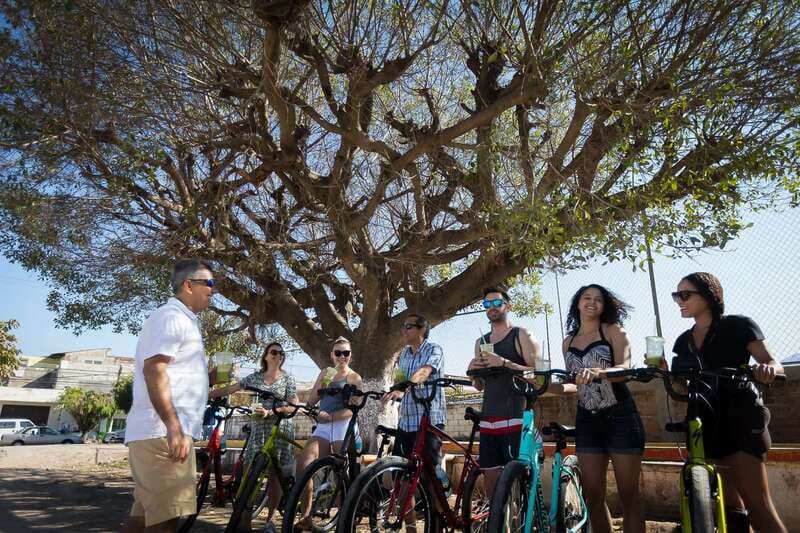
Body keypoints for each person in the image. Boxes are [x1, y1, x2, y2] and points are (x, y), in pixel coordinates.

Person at [670, 272, 786, 533]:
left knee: (759, 507)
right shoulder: (682, 341)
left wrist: (766, 369)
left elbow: (773, 364)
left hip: (740, 416)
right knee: (730, 509)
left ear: (709, 296)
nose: (679, 300)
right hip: (702, 420)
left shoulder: (739, 325)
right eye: (676, 295)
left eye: (685, 294)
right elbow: (682, 387)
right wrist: (669, 373)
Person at [124, 259, 216, 533]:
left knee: (144, 516)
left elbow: (170, 372)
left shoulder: (182, 319)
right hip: (163, 435)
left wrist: (208, 379)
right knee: (165, 520)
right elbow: (155, 369)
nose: (213, 289)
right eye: (209, 283)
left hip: (157, 434)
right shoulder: (172, 317)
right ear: (188, 285)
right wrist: (174, 427)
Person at [560, 284, 645, 533]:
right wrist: (546, 386)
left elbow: (626, 370)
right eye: (587, 297)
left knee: (629, 496)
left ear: (604, 305)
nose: (592, 302)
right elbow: (572, 385)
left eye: (598, 299)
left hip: (621, 418)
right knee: (593, 495)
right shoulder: (568, 342)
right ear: (577, 303)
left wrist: (601, 372)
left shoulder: (613, 331)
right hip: (587, 420)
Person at [209, 342, 299, 532]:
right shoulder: (255, 377)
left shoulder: (288, 379)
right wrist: (206, 394)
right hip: (258, 430)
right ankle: (246, 522)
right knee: (250, 475)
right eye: (274, 352)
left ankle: (271, 520)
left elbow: (293, 406)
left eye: (281, 353)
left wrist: (272, 411)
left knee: (276, 476)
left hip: (279, 428)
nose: (278, 356)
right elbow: (231, 388)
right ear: (265, 356)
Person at [467, 287, 541, 497]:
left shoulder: (521, 334)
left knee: (517, 483)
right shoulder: (480, 343)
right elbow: (480, 386)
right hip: (489, 419)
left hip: (517, 418)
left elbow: (539, 376)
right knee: (491, 482)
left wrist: (505, 363)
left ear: (507, 306)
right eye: (487, 304)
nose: (492, 308)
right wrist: (474, 371)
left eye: (497, 303)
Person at [382, 313, 446, 532]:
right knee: (401, 478)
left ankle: (436, 526)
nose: (404, 330)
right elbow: (401, 381)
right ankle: (410, 528)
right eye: (403, 326)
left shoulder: (434, 349)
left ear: (422, 329)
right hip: (406, 423)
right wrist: (395, 391)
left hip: (430, 422)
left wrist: (406, 384)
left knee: (431, 479)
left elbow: (425, 371)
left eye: (409, 326)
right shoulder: (403, 355)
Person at [292, 337, 362, 530]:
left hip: (343, 426)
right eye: (338, 353)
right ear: (332, 355)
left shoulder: (354, 377)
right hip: (323, 425)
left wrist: (330, 417)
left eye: (345, 353)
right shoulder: (325, 372)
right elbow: (312, 401)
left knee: (339, 472)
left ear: (350, 355)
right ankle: (306, 515)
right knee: (304, 463)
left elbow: (355, 408)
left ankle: (344, 516)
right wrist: (323, 383)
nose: (342, 357)